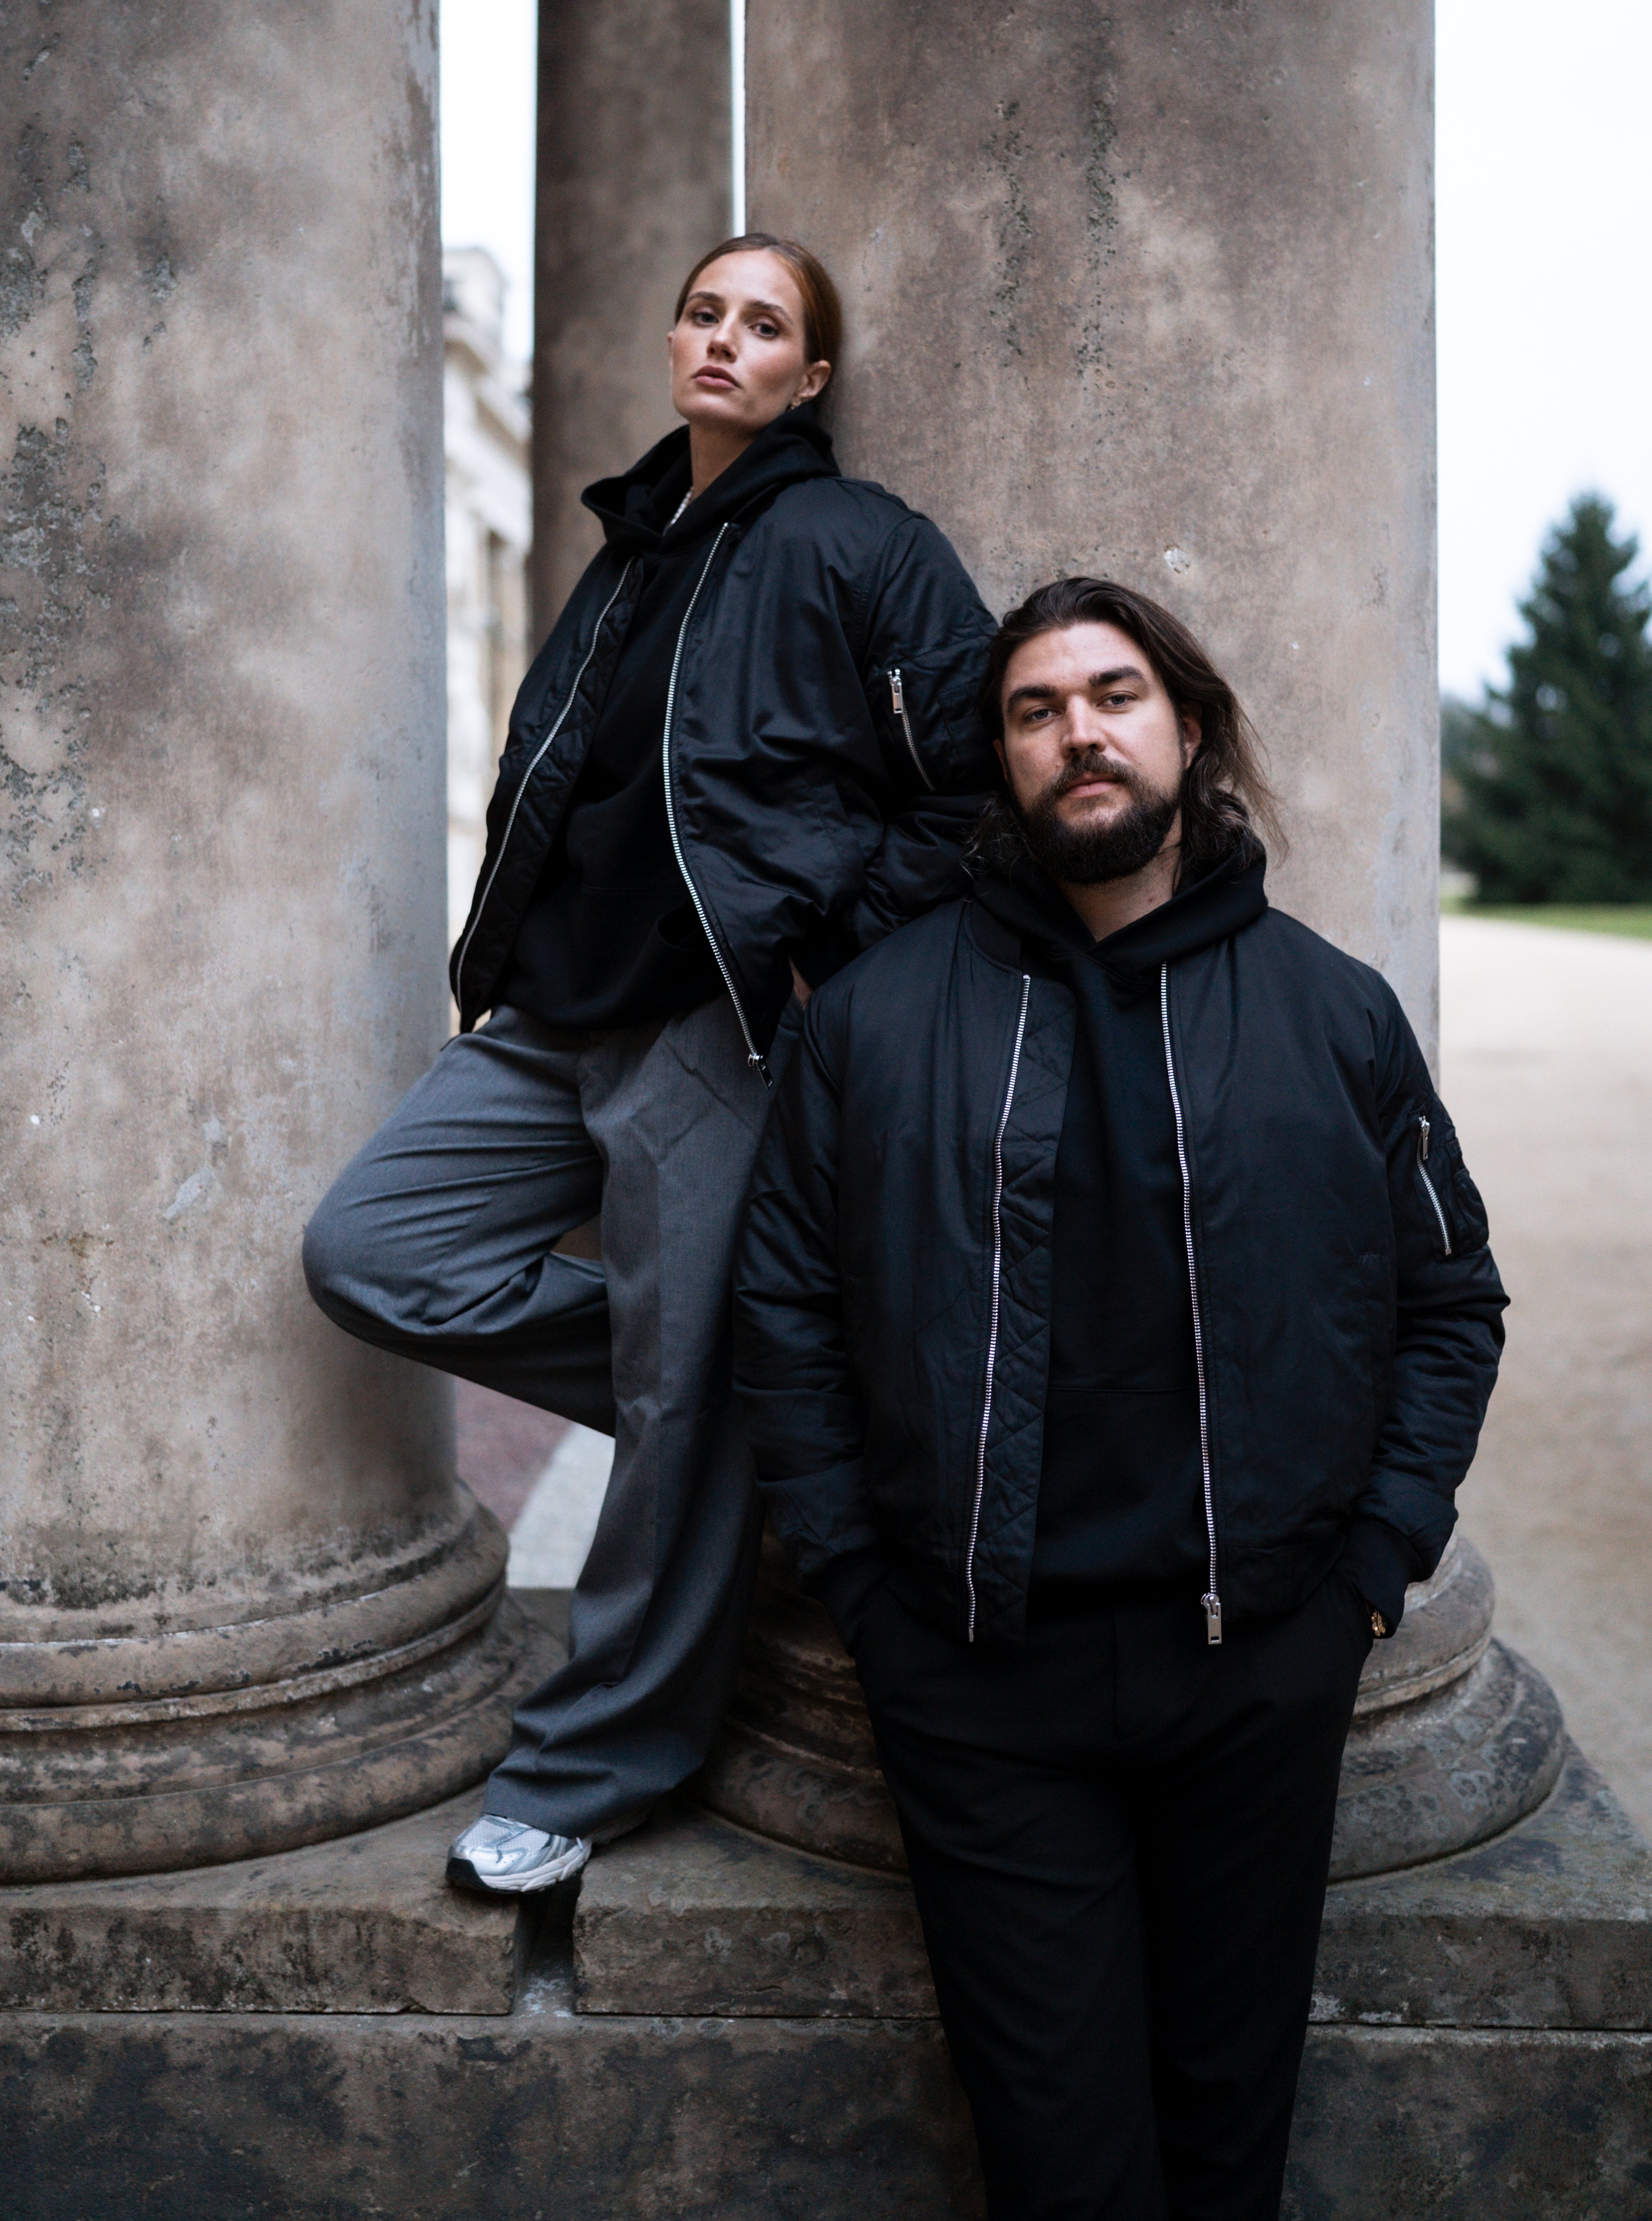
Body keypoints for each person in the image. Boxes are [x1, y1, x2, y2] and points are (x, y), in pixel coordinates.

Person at [732, 575, 1507, 2221]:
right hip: (980, 1683)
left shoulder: (1333, 1013)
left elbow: (1451, 1300)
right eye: (1036, 710)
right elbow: (784, 1314)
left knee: (1229, 2147)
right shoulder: (876, 1019)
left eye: (1114, 696)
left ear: (1190, 731)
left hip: (1257, 1667)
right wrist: (863, 1587)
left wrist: (1373, 1570)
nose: (1078, 733)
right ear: (1002, 759)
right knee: (1061, 2164)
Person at [303, 233, 995, 1895]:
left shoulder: (861, 542)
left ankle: (593, 1764)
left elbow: (975, 791)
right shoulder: (628, 549)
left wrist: (827, 949)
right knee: (372, 1251)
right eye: (702, 312)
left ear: (809, 377)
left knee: (685, 1401)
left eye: (764, 324)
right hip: (552, 1017)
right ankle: (741, 1399)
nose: (723, 340)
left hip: (713, 1026)